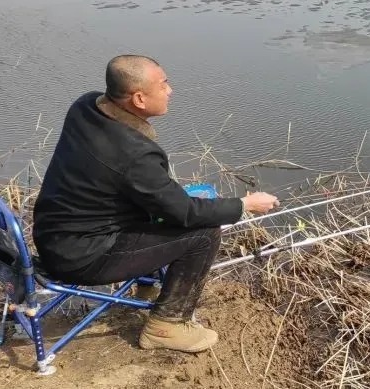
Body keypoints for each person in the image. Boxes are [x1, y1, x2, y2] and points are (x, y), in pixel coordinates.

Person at [32, 54, 280, 353]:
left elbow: (148, 194)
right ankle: (167, 327)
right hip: (82, 257)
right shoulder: (135, 156)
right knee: (203, 233)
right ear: (138, 98)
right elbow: (185, 213)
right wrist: (244, 204)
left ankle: (147, 282)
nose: (170, 90)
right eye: (163, 85)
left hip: (55, 237)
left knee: (166, 209)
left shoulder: (86, 106)